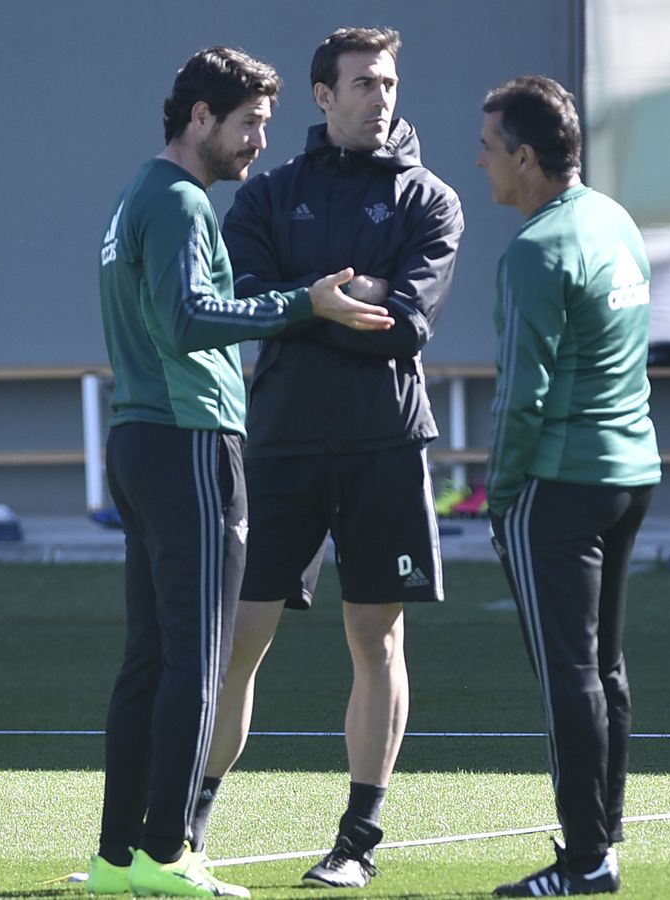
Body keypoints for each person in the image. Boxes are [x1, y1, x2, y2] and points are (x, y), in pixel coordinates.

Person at [87, 47, 394, 899]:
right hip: (187, 437)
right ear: (199, 118)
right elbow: (188, 320)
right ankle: (167, 851)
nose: (260, 138)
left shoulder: (138, 195)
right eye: (248, 122)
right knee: (197, 657)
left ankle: (117, 861)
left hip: (141, 437)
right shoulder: (181, 202)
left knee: (149, 658)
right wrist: (304, 302)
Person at [190, 27, 464, 890]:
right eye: (363, 84)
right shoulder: (270, 195)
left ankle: (357, 840)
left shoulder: (432, 201)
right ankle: (189, 828)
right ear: (323, 94)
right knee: (238, 640)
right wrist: (336, 303)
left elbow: (409, 323)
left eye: (388, 83)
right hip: (280, 444)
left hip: (385, 444)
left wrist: (308, 305)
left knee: (376, 637)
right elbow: (246, 301)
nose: (380, 97)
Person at [475, 75, 660, 896]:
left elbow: (521, 393)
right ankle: (604, 840)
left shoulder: (536, 249)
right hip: (630, 474)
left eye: (487, 149)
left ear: (525, 156)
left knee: (568, 674)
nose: (480, 165)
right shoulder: (613, 220)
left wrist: (499, 492)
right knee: (602, 666)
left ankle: (584, 860)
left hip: (558, 484)